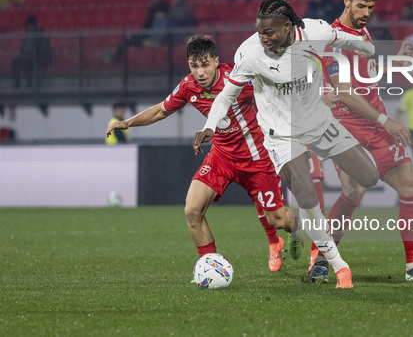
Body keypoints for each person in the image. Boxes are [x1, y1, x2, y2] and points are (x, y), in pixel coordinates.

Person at [193, 0, 384, 289]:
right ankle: (338, 265)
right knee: (306, 195)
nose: (263, 37)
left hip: (319, 123)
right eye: (259, 31)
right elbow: (226, 95)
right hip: (281, 135)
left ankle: (319, 244)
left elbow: (342, 38)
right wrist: (209, 126)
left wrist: (368, 48)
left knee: (369, 176)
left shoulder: (314, 31)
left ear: (288, 26)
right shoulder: (251, 53)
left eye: (268, 32)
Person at [106, 35, 294, 273]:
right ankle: (212, 267)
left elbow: (276, 92)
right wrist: (127, 123)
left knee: (277, 220)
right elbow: (160, 111)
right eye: (194, 66)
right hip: (222, 156)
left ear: (216, 61)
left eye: (205, 64)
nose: (200, 72)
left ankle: (296, 232)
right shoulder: (188, 86)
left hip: (257, 158)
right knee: (192, 210)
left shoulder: (239, 78)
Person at [318, 0, 413, 283]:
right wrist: (386, 120)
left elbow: (366, 78)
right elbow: (346, 93)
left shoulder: (363, 34)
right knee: (354, 190)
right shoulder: (332, 40)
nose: (365, 13)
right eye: (360, 6)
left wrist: (397, 62)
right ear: (346, 0)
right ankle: (323, 260)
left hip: (376, 127)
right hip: (346, 128)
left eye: (370, 8)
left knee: (411, 188)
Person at [11, 16, 51, 88]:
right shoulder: (27, 35)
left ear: (33, 25)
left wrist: (33, 54)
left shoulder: (41, 35)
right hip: (26, 56)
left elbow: (43, 49)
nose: (28, 28)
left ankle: (30, 83)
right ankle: (17, 83)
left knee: (27, 62)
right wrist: (21, 53)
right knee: (15, 61)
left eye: (29, 26)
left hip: (37, 58)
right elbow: (23, 47)